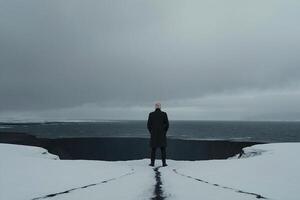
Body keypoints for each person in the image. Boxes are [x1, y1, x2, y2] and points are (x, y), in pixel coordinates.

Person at [147, 102, 169, 167]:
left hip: (154, 135)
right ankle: (164, 163)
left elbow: (148, 125)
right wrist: (164, 132)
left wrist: (152, 132)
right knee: (163, 149)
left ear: (155, 107)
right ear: (160, 107)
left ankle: (152, 163)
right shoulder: (164, 114)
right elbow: (167, 125)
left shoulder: (151, 114)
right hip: (162, 135)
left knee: (153, 150)